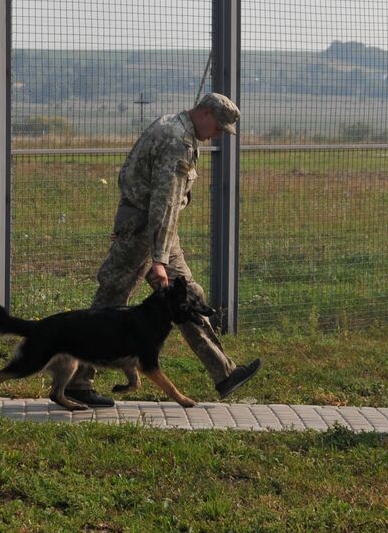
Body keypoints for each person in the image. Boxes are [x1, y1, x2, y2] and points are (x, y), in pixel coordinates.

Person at [65, 92, 261, 408]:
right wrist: (159, 257)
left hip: (158, 233)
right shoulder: (177, 141)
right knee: (111, 299)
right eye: (218, 127)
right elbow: (164, 201)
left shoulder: (174, 125)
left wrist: (162, 249)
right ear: (206, 114)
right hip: (145, 231)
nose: (217, 136)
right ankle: (77, 381)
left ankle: (225, 372)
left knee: (188, 297)